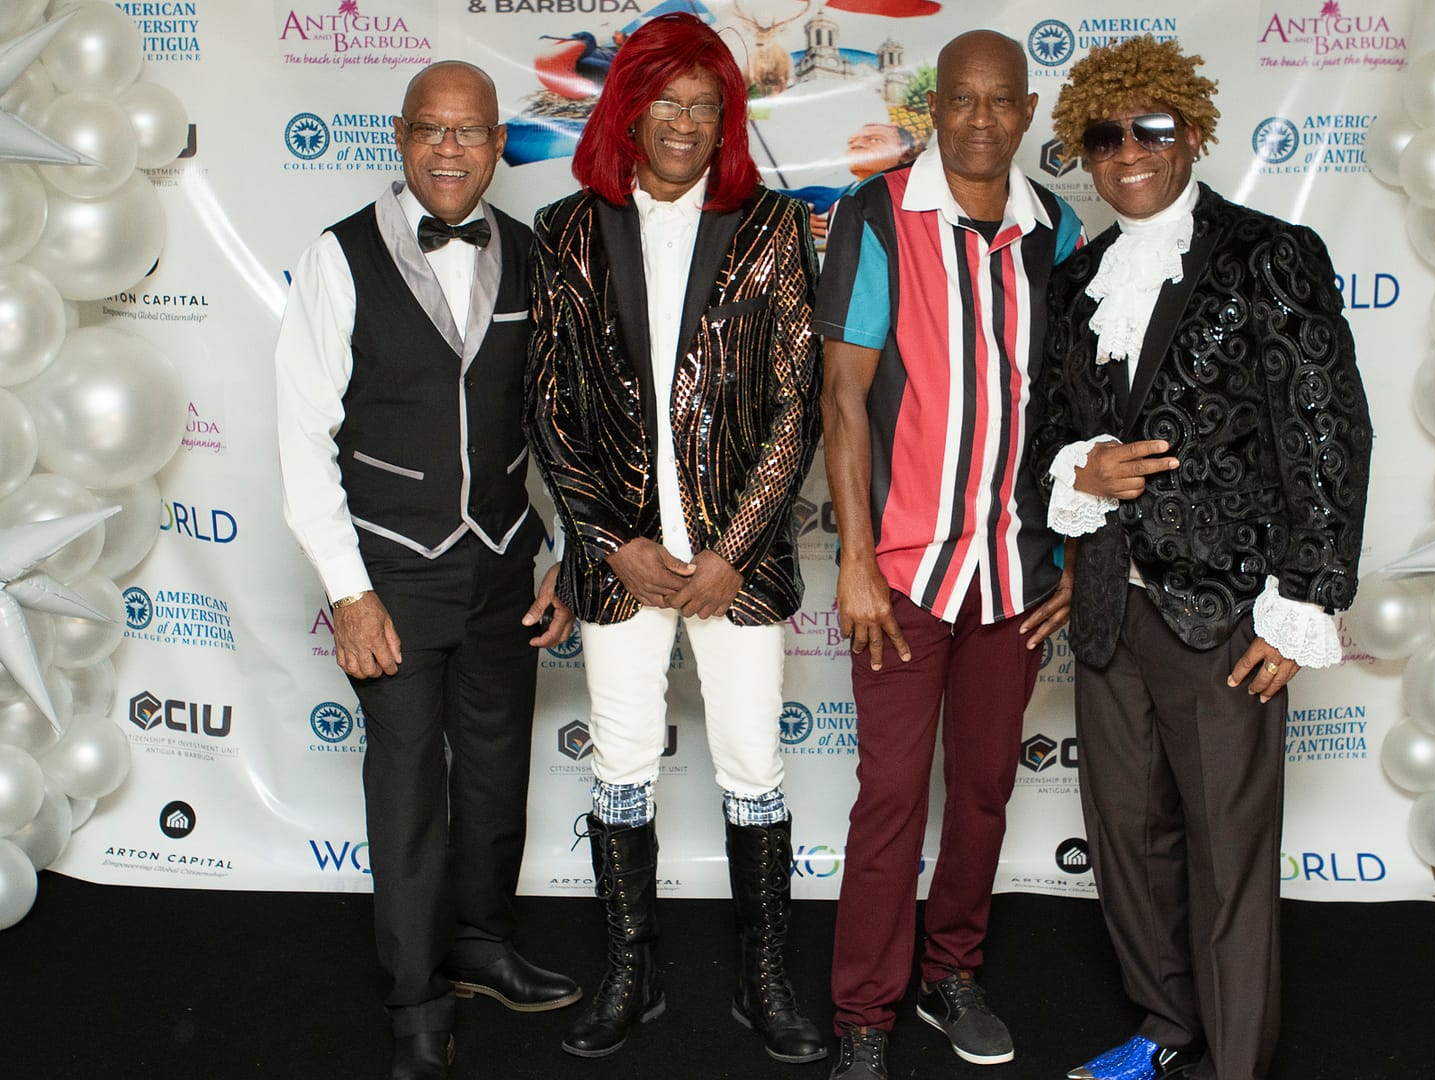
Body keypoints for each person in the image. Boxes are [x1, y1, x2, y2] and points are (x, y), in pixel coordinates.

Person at [1033, 36, 1373, 1080]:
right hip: (1111, 606)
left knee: (1227, 852)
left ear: (1191, 130)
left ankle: (1235, 1062)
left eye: (1151, 129)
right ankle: (1165, 1025)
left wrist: (1305, 602)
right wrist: (1082, 469)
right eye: (1105, 137)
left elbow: (1327, 433)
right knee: (1126, 838)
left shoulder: (1270, 254)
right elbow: (1051, 427)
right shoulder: (1079, 278)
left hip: (1225, 609)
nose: (1128, 151)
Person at [526, 11, 826, 1065]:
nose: (686, 123)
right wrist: (610, 541)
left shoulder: (772, 226)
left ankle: (764, 975)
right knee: (620, 761)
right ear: (629, 109)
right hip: (623, 561)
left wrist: (733, 551)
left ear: (725, 118)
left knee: (753, 762)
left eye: (705, 106)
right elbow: (550, 408)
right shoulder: (567, 230)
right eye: (667, 103)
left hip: (735, 562)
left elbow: (796, 404)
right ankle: (631, 968)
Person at [275, 60, 580, 1080]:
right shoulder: (337, 258)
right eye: (432, 130)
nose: (451, 149)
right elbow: (301, 439)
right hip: (392, 573)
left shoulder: (534, 256)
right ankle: (416, 1002)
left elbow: (561, 426)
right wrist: (348, 590)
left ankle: (484, 947)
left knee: (495, 776)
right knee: (408, 791)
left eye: (471, 131)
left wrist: (566, 556)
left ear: (498, 145)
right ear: (402, 138)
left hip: (502, 565)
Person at [813, 28, 1083, 1080]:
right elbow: (844, 396)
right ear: (933, 110)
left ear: (1027, 112)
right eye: (960, 99)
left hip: (1015, 573)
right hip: (904, 576)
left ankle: (950, 973)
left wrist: (1073, 557)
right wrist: (855, 561)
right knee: (890, 799)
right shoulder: (879, 214)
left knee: (982, 791)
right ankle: (863, 1015)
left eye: (1000, 100)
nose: (979, 118)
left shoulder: (1057, 228)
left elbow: (1074, 410)